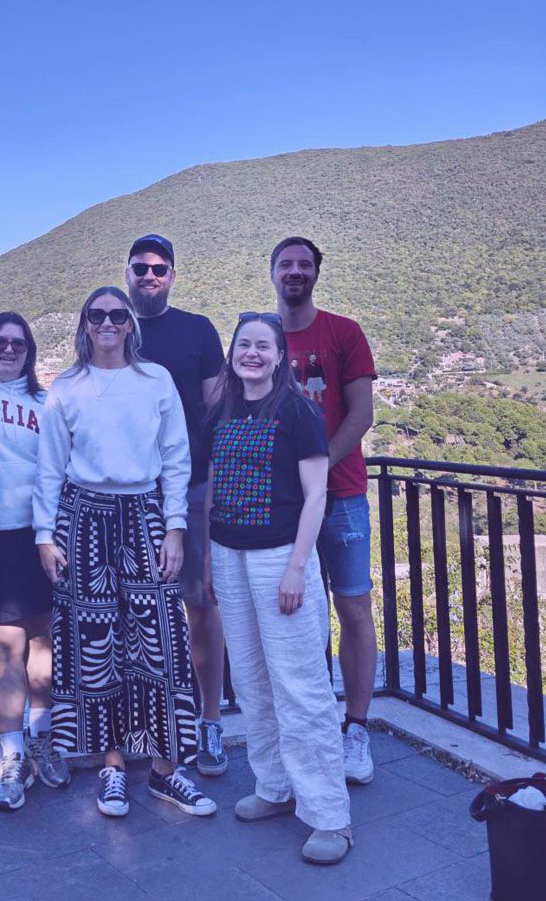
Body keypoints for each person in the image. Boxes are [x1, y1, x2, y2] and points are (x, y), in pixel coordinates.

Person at [33, 286, 214, 819]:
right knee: (96, 647)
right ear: (85, 324)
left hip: (145, 515)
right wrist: (46, 536)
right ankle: (112, 768)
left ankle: (164, 770)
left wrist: (175, 529)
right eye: (98, 315)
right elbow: (49, 467)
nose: (108, 323)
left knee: (160, 640)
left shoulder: (155, 380)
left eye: (118, 315)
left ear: (130, 324)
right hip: (83, 518)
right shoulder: (65, 387)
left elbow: (177, 457)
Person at [204, 312, 352, 864]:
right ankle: (274, 786)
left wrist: (296, 568)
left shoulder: (298, 411)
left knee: (301, 685)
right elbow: (213, 482)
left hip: (278, 558)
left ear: (279, 354)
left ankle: (330, 815)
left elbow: (316, 496)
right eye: (244, 344)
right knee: (251, 680)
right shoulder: (222, 407)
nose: (252, 354)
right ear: (233, 352)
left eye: (263, 346)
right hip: (229, 554)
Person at [270, 236, 378, 784]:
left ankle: (356, 727)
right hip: (283, 505)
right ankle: (311, 729)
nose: (295, 271)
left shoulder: (344, 333)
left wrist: (318, 467)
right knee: (300, 619)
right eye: (286, 264)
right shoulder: (260, 337)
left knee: (353, 611)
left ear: (316, 272)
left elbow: (361, 415)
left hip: (343, 496)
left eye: (304, 264)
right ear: (272, 273)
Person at [125, 233, 229, 777]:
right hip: (124, 496)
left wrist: (210, 485)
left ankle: (209, 723)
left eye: (158, 268)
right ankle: (142, 730)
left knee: (201, 607)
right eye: (139, 267)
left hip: (189, 491)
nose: (148, 276)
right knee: (131, 613)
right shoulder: (110, 328)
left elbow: (216, 408)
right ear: (126, 272)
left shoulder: (197, 331)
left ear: (172, 274)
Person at [0, 312, 68, 811]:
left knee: (43, 641)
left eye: (18, 344)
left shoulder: (45, 402)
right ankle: (13, 754)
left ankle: (42, 737)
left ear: (30, 351)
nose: (8, 350)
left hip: (39, 533)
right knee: (2, 649)